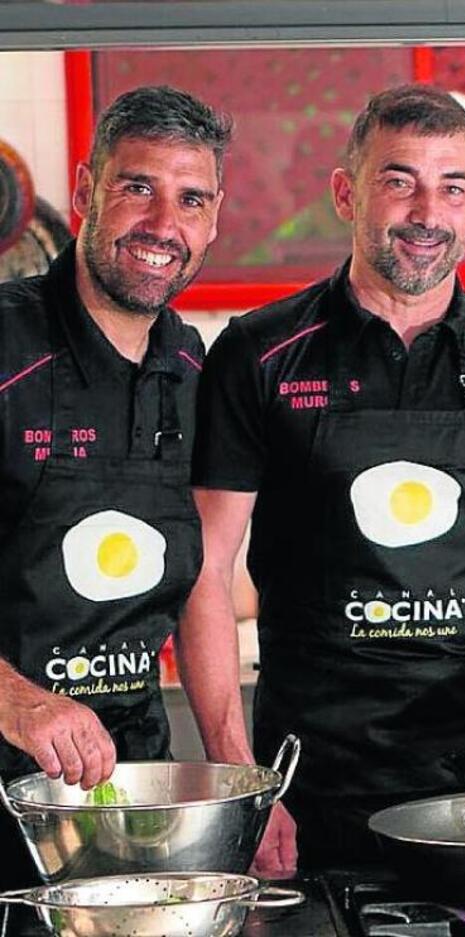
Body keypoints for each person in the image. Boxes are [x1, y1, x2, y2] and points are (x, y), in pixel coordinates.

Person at [179, 84, 465, 873]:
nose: (426, 210)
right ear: (345, 193)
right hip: (317, 779)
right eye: (399, 181)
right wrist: (243, 781)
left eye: (452, 187)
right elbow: (204, 567)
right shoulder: (257, 355)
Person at [0, 85, 229, 887]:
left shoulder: (197, 369)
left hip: (123, 802)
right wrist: (20, 701)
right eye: (138, 187)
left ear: (213, 217)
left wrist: (241, 781)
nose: (163, 226)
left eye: (190, 199)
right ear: (86, 191)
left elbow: (203, 578)